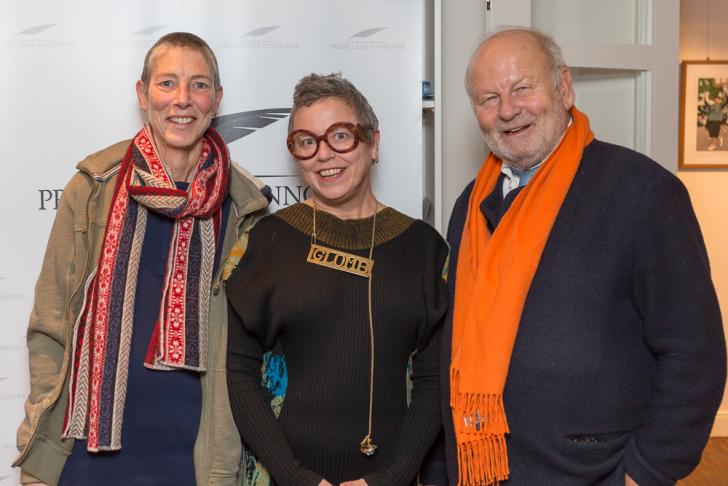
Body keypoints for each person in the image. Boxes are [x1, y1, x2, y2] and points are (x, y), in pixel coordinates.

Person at [439, 28, 727, 486]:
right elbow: (452, 341)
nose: (507, 110)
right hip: (481, 469)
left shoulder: (644, 192)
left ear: (564, 87)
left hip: (593, 473)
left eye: (522, 88)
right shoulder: (469, 206)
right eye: (488, 98)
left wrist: (644, 472)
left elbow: (696, 354)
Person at [14, 32, 270, 485]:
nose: (183, 100)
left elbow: (254, 350)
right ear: (142, 93)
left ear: (217, 99)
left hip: (193, 455)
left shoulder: (245, 205)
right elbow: (50, 324)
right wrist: (39, 426)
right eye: (167, 83)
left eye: (199, 85)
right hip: (85, 452)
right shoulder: (94, 186)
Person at [225, 73, 449, 486]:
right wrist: (296, 479)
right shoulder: (265, 243)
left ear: (373, 143)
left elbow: (435, 377)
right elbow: (238, 371)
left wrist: (393, 478)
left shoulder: (423, 248)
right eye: (307, 142)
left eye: (340, 136)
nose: (324, 155)